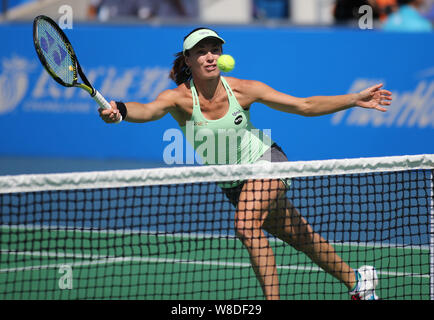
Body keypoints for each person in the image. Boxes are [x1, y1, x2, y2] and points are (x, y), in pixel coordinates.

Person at [99, 28, 392, 300]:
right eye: (201, 51)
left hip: (266, 161)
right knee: (302, 237)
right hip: (233, 184)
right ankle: (359, 284)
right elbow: (148, 110)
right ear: (188, 59)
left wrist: (354, 99)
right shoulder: (178, 99)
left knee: (245, 224)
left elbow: (304, 105)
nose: (211, 55)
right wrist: (121, 110)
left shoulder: (243, 90)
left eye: (214, 49)